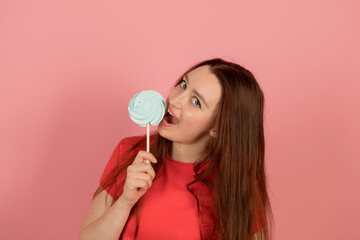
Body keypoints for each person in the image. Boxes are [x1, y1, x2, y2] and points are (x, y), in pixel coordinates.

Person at [78, 58, 273, 240]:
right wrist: (124, 202)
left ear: (218, 127)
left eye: (196, 102)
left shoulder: (236, 186)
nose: (175, 100)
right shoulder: (130, 152)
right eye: (184, 85)